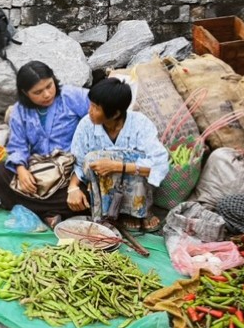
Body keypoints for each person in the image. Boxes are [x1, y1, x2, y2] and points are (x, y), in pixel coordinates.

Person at [0, 61, 90, 228]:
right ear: (25, 93)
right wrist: (21, 170)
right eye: (38, 92)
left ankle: (39, 210)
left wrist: (75, 184)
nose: (47, 94)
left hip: (71, 170)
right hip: (40, 170)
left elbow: (100, 116)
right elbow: (17, 145)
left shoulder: (72, 97)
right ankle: (51, 211)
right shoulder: (20, 111)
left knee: (88, 192)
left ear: (53, 79)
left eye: (49, 86)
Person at [69, 77, 169, 232]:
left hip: (136, 188)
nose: (89, 111)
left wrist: (118, 166)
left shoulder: (140, 124)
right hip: (103, 191)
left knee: (136, 159)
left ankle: (138, 213)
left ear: (115, 113)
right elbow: (79, 161)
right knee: (91, 159)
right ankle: (105, 215)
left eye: (96, 107)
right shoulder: (85, 125)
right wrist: (73, 188)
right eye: (91, 105)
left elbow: (160, 164)